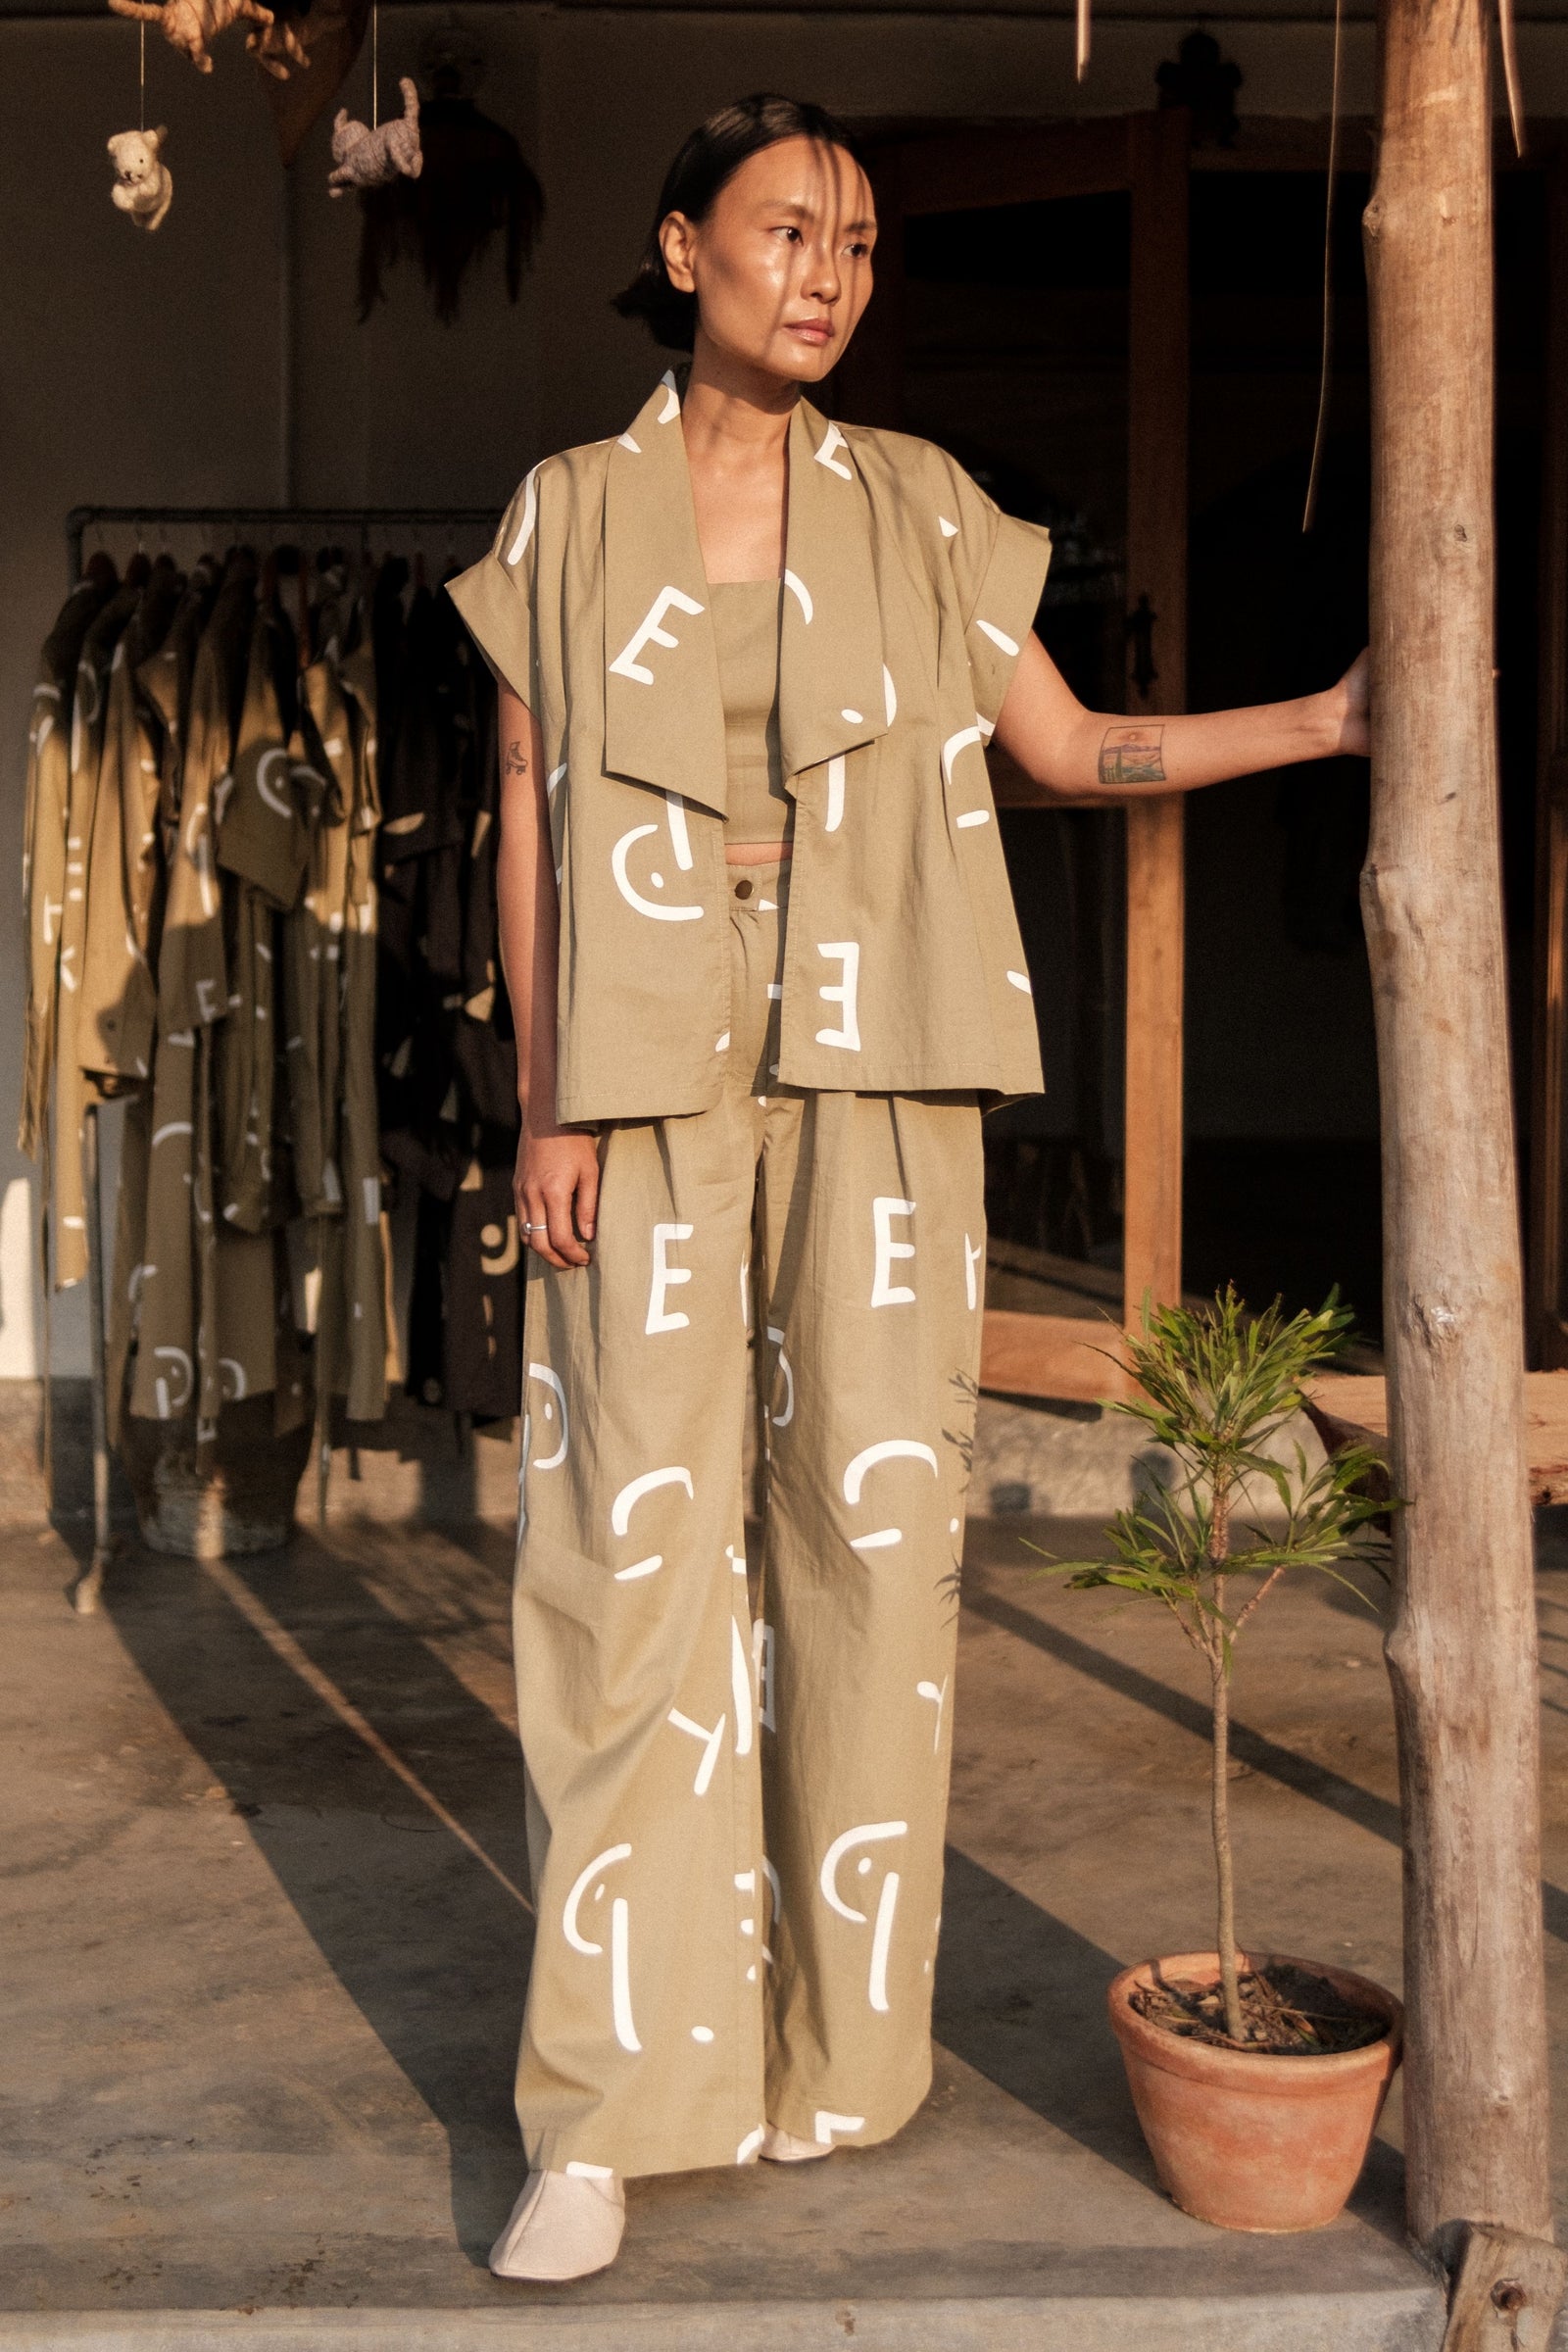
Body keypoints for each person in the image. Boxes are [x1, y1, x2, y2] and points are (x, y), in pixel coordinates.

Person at [447, 91, 1369, 2283]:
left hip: (874, 1063)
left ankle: (818, 2054)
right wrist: (547, 1102)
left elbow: (1064, 748)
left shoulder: (926, 507)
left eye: (856, 241)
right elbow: (528, 807)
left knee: (866, 1553)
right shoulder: (568, 508)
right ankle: (603, 2113)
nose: (828, 274)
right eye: (786, 231)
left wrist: (1323, 725)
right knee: (624, 1568)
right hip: (643, 1071)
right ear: (683, 247)